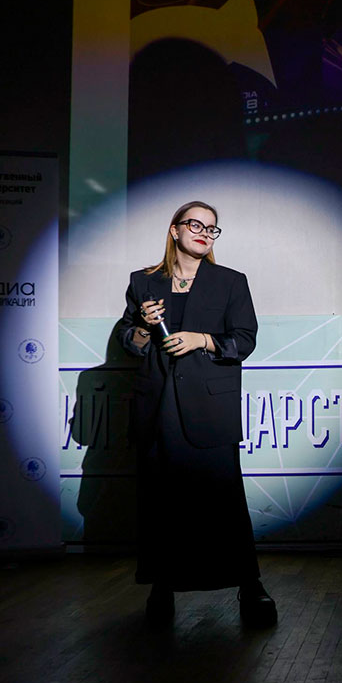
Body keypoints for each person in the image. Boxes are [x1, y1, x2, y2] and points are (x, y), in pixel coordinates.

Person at [117, 200, 276, 627]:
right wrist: (142, 326)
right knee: (162, 502)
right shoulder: (143, 281)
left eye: (212, 228)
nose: (204, 233)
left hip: (209, 406)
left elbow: (245, 340)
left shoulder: (230, 281)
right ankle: (162, 586)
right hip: (158, 405)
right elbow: (128, 341)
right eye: (195, 225)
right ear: (175, 230)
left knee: (223, 500)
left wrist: (201, 339)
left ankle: (249, 585)